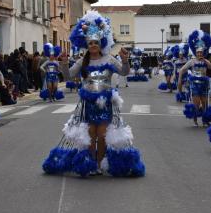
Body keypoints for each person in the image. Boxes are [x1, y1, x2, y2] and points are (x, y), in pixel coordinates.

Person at [43, 10, 144, 177]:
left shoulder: (110, 59)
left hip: (105, 103)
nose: (93, 46)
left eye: (96, 42)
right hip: (88, 104)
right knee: (91, 134)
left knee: (102, 134)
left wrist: (125, 60)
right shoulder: (83, 61)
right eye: (90, 43)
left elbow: (124, 72)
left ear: (101, 43)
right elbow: (69, 76)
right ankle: (90, 162)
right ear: (87, 45)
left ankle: (98, 163)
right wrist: (64, 63)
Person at [178, 30, 211, 127]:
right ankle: (195, 120)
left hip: (204, 85)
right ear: (195, 52)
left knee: (205, 104)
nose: (199, 54)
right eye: (198, 53)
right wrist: (180, 79)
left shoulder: (205, 61)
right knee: (196, 104)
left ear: (203, 53)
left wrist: (206, 61)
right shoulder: (192, 61)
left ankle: (205, 120)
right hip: (194, 85)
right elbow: (182, 69)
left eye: (201, 53)